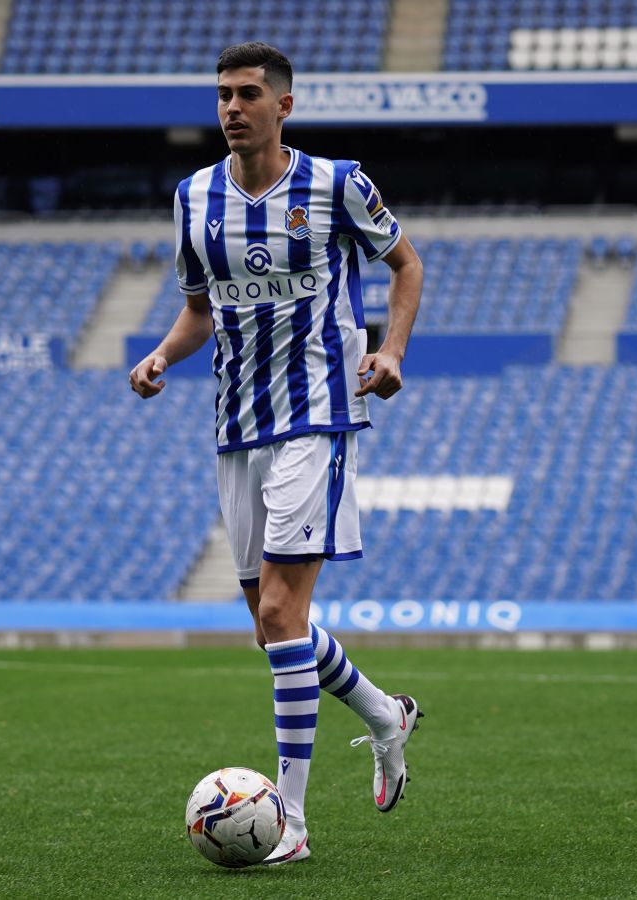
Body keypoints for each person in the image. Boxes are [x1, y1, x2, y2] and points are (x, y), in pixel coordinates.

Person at [128, 41, 426, 865]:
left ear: (282, 106)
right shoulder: (193, 199)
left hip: (318, 414)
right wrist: (160, 355)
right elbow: (200, 308)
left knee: (280, 617)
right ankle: (382, 713)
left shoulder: (336, 184)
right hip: (236, 425)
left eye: (247, 94)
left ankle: (288, 824)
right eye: (222, 93)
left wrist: (391, 352)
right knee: (271, 632)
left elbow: (405, 265)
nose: (231, 107)